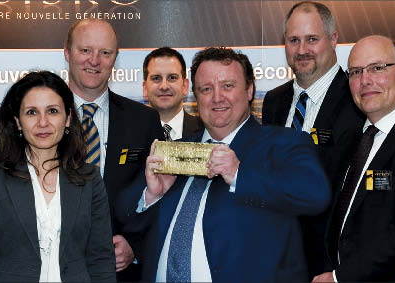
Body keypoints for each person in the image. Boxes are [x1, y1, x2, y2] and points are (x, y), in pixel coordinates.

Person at [116, 47, 331, 282]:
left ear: (249, 90)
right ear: (195, 97)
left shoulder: (283, 143)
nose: (217, 97)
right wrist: (151, 195)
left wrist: (240, 175)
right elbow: (125, 215)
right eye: (206, 89)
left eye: (228, 86)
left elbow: (315, 195)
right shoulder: (177, 150)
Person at [261, 1, 364, 277]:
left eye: (312, 39)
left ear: (333, 40)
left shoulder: (359, 100)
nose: (302, 49)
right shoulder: (273, 101)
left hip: (329, 266)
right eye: (294, 40)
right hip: (276, 259)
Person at [313, 35, 395, 282]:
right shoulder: (349, 140)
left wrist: (338, 278)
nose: (365, 80)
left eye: (377, 68)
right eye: (355, 72)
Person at [0, 71, 115, 282]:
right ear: (18, 122)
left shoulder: (89, 178)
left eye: (52, 111)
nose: (43, 122)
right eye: (31, 112)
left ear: (68, 118)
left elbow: (101, 258)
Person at [64, 19, 164, 281]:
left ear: (115, 59)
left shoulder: (144, 121)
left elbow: (162, 195)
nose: (94, 61)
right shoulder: (41, 118)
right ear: (67, 53)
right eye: (85, 50)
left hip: (120, 272)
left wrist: (136, 246)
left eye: (105, 53)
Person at [143, 47, 203, 141]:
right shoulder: (130, 132)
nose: (164, 86)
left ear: (185, 86)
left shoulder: (205, 130)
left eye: (172, 78)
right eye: (156, 78)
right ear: (145, 88)